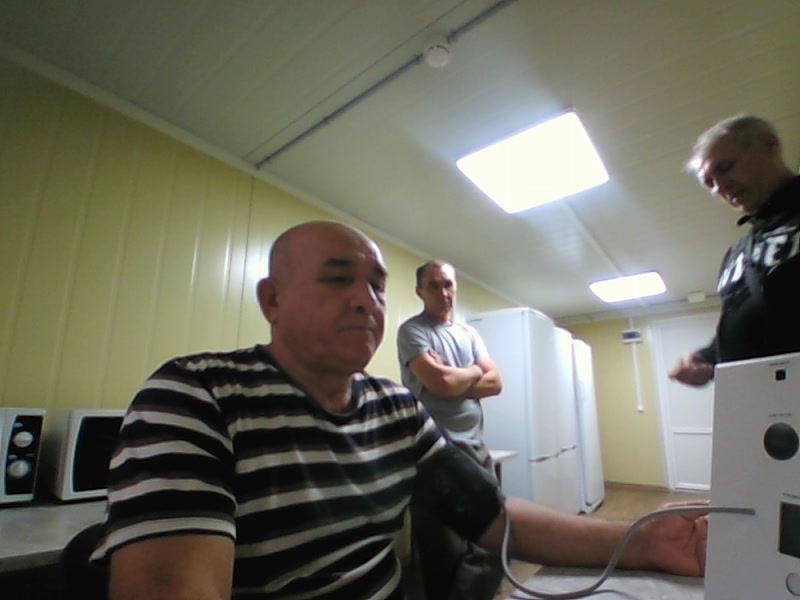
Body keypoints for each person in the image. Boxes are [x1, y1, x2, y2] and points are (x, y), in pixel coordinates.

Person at [91, 220, 708, 600]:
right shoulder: (196, 395)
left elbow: (496, 519)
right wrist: (469, 380)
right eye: (338, 279)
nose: (367, 300)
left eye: (376, 285)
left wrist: (643, 541)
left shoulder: (392, 408)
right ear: (272, 300)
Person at [397, 260, 504, 599]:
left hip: (476, 448)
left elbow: (496, 383)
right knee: (444, 550)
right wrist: (473, 372)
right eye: (434, 285)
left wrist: (457, 376)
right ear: (420, 291)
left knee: (492, 538)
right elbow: (441, 383)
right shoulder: (412, 331)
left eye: (448, 284)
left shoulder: (469, 333)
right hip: (436, 454)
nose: (443, 292)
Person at [669, 115, 800, 387]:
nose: (721, 187)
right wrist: (706, 359)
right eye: (710, 183)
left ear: (770, 145)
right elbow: (749, 323)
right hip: (753, 401)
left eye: (725, 167)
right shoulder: (738, 252)